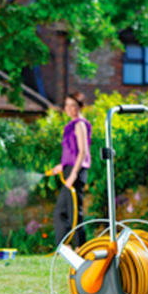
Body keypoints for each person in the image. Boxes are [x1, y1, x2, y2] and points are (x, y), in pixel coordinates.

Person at [51, 91, 92, 249]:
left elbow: (82, 151)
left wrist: (73, 174)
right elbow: (72, 152)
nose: (69, 109)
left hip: (76, 172)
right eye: (67, 106)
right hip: (69, 169)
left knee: (73, 212)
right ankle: (67, 247)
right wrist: (62, 166)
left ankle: (78, 247)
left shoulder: (80, 124)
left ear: (81, 107)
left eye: (73, 106)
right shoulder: (71, 125)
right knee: (62, 211)